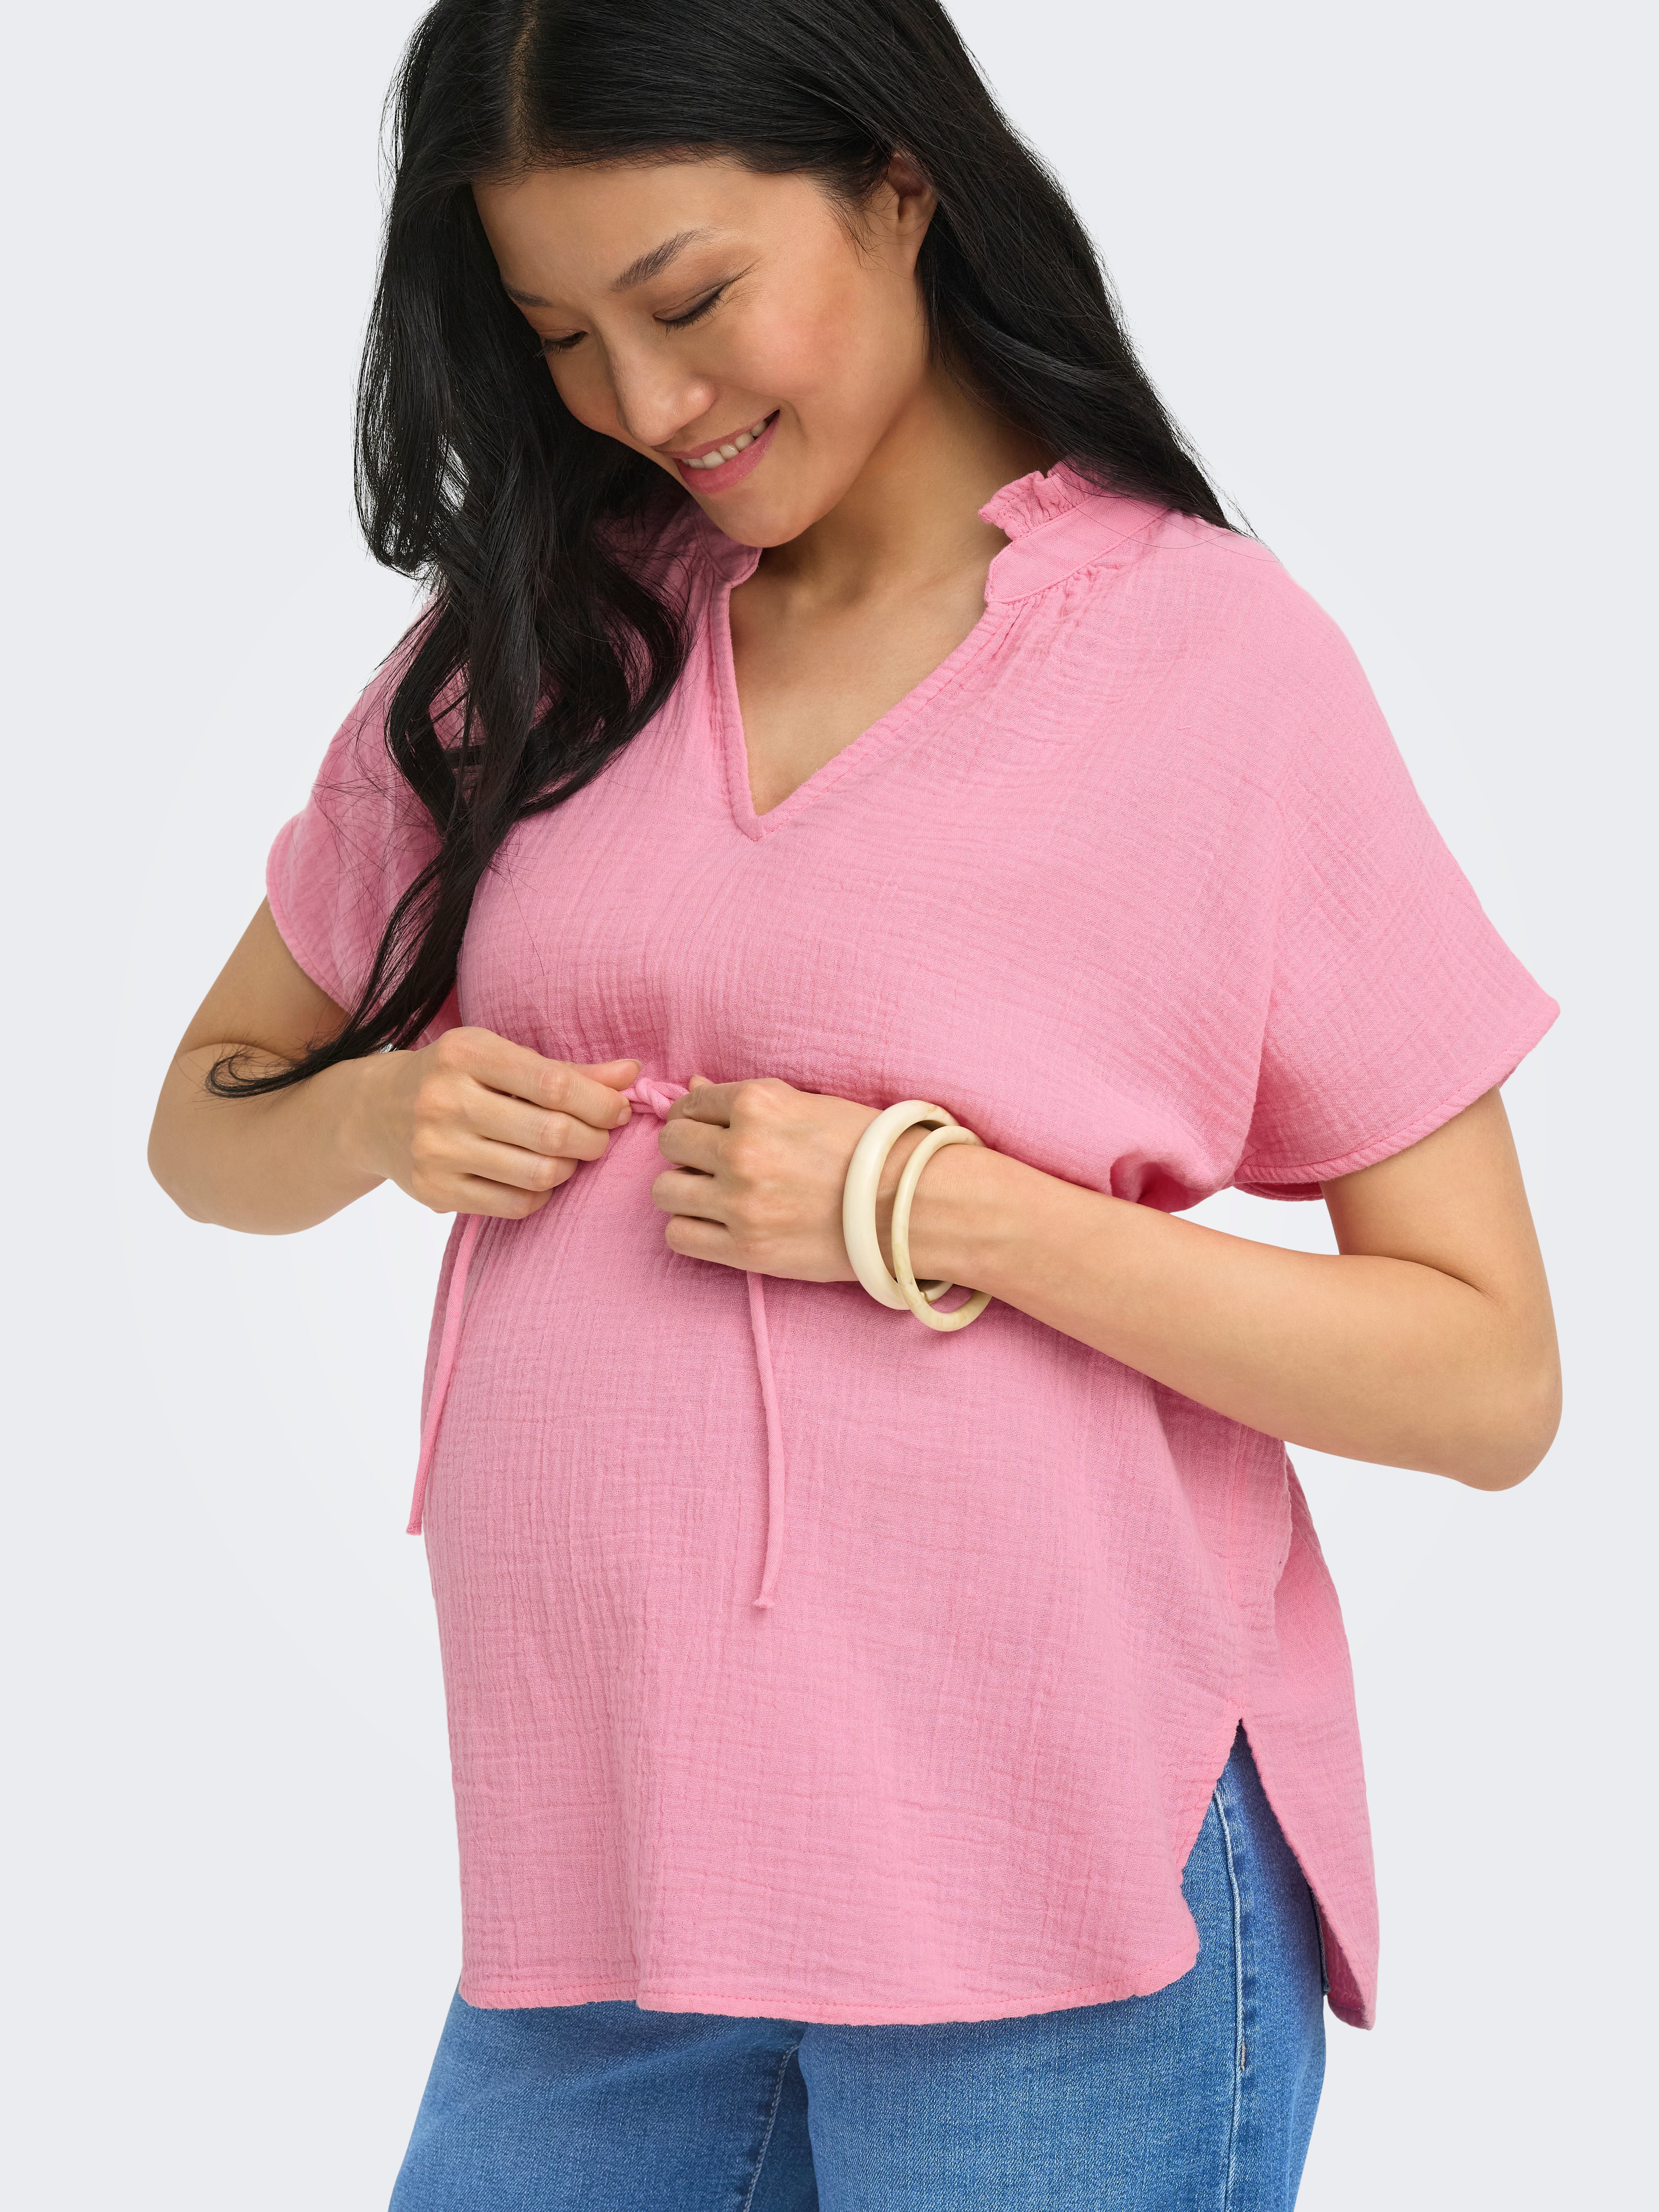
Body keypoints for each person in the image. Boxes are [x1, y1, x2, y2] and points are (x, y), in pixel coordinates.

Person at [146, 1, 1561, 2204]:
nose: (645, 405)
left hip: (1056, 1890)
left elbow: (1485, 1379)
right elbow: (205, 1120)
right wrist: (373, 1119)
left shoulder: (1209, 666)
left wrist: (934, 1208)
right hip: (601, 1897)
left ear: (899, 186)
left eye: (690, 300)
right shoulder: (538, 644)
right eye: (560, 338)